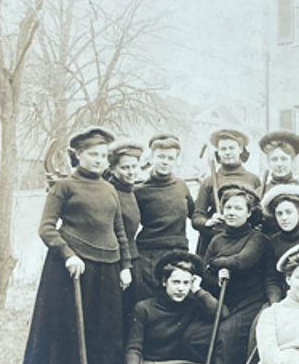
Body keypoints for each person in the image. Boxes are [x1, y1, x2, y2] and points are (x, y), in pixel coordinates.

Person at [19, 126, 132, 364]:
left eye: (103, 155)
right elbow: (46, 229)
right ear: (77, 155)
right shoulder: (64, 186)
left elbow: (119, 230)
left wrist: (125, 266)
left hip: (108, 267)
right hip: (72, 269)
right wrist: (68, 254)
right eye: (92, 154)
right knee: (68, 330)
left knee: (105, 331)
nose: (98, 160)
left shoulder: (109, 189)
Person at [91, 250, 227, 364]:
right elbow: (134, 347)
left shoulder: (194, 304)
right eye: (176, 282)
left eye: (186, 283)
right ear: (164, 282)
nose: (181, 288)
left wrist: (198, 291)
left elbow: (223, 314)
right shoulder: (144, 308)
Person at [201, 183, 277, 364]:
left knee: (228, 336)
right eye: (228, 208)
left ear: (249, 212)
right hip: (226, 302)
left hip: (253, 301)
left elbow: (242, 261)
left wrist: (216, 264)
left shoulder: (257, 239)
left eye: (237, 208)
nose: (231, 213)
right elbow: (205, 275)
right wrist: (216, 276)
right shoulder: (217, 240)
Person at [135, 132, 195, 295]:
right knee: (150, 298)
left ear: (176, 160)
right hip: (149, 254)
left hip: (178, 251)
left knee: (176, 298)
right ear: (152, 157)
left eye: (170, 158)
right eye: (161, 156)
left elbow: (195, 215)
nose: (165, 162)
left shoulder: (181, 186)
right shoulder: (139, 190)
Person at [192, 128, 260, 256]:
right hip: (213, 241)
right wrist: (207, 222)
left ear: (240, 149)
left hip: (243, 243)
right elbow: (197, 217)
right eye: (223, 149)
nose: (227, 152)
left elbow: (257, 216)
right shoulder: (209, 181)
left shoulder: (253, 180)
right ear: (218, 152)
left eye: (231, 148)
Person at [106, 139, 146, 331]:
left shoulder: (132, 190)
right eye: (125, 168)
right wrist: (124, 265)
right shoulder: (109, 191)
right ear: (113, 169)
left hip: (132, 257)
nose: (131, 172)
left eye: (134, 166)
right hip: (116, 260)